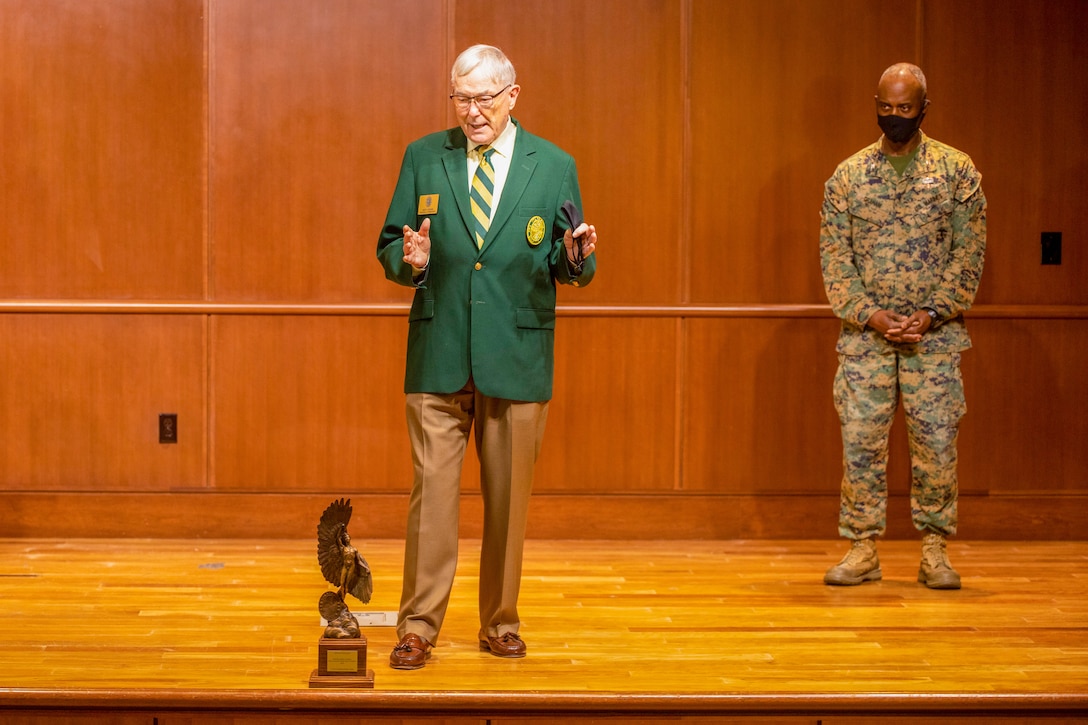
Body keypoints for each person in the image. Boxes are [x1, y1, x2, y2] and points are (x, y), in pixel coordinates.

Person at [376, 44, 597, 669]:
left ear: (513, 96)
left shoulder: (553, 166)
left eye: (484, 99)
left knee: (508, 503)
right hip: (438, 352)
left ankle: (500, 621)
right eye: (462, 99)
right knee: (432, 501)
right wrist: (409, 261)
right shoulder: (424, 156)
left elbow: (569, 258)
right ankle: (417, 626)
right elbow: (392, 244)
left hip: (517, 356)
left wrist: (577, 256)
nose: (472, 112)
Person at [819, 63, 986, 590]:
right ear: (876, 104)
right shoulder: (847, 177)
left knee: (936, 446)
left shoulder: (957, 171)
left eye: (905, 109)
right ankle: (862, 549)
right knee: (861, 444)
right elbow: (834, 260)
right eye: (886, 108)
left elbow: (970, 253)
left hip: (933, 341)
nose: (894, 117)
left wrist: (933, 312)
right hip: (866, 342)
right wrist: (870, 313)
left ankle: (935, 551)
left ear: (923, 109)